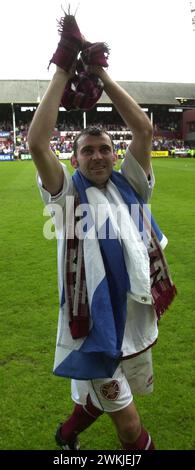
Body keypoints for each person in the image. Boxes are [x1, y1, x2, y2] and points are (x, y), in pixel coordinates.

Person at [27, 15, 176, 452]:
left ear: (115, 154)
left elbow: (144, 129)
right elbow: (38, 142)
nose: (97, 156)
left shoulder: (130, 184)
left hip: (131, 319)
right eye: (87, 150)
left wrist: (99, 72)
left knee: (103, 399)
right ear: (73, 159)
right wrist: (61, 67)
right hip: (91, 326)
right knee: (129, 426)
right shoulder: (66, 197)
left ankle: (66, 435)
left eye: (105, 148)